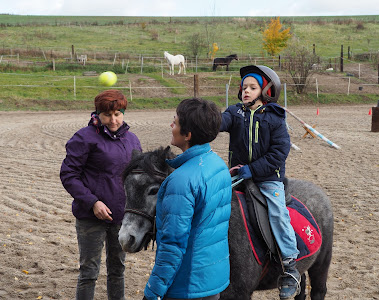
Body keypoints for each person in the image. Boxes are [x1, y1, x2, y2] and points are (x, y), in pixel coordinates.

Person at [220, 65, 300, 300]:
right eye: (244, 87)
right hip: (236, 176)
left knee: (277, 212)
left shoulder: (275, 118)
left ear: (266, 91)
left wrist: (252, 170)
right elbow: (218, 123)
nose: (246, 91)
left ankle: (289, 265)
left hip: (267, 179)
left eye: (252, 87)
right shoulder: (234, 113)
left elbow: (278, 153)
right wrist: (203, 118)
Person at [143, 98, 232, 300]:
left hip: (186, 286)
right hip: (212, 279)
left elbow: (173, 244)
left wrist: (153, 292)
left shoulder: (181, 181)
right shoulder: (218, 164)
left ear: (188, 135)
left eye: (175, 122)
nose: (171, 125)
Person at [60, 89, 142, 300]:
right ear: (98, 114)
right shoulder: (83, 138)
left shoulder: (132, 140)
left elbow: (137, 178)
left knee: (118, 270)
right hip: (90, 217)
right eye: (107, 115)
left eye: (118, 114)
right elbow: (69, 175)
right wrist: (93, 202)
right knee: (89, 272)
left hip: (121, 217)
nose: (113, 120)